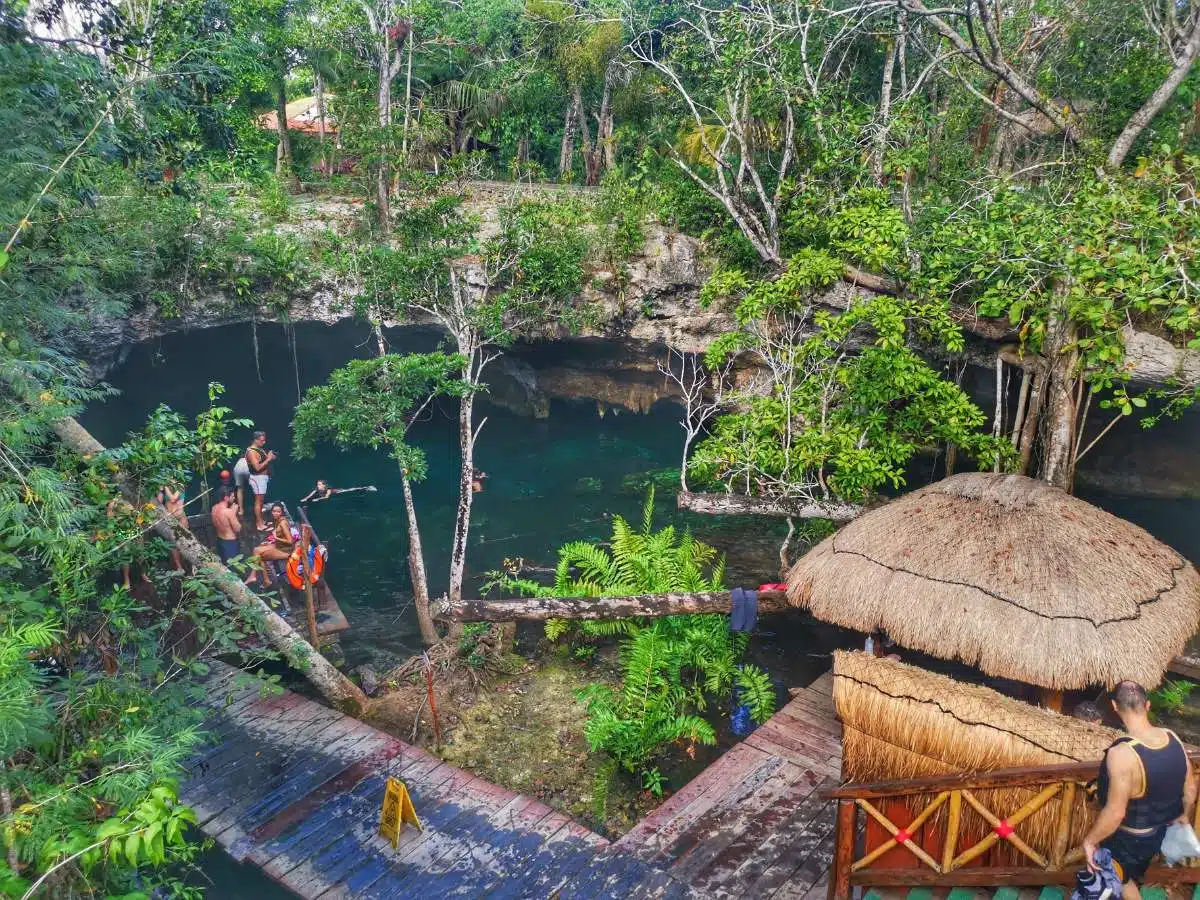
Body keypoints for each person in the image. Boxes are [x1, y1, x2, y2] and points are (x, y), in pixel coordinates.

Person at [1082, 681, 1197, 900]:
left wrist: (1089, 841)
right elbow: (1190, 789)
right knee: (1127, 875)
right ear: (1148, 705)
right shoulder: (1172, 737)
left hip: (1130, 840)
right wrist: (1182, 815)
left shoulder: (1121, 754)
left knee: (1120, 879)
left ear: (1114, 706)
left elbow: (1116, 813)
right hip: (1159, 833)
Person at [244, 503, 293, 587]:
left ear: (282, 512)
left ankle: (262, 579)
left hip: (285, 550)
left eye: (278, 511)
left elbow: (290, 541)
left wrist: (275, 538)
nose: (275, 513)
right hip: (279, 545)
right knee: (256, 550)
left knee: (260, 556)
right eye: (274, 511)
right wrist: (270, 542)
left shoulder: (283, 523)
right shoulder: (277, 520)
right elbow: (281, 536)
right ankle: (257, 577)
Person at [245, 431, 277, 532]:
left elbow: (266, 460)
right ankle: (259, 524)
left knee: (261, 501)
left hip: (263, 479)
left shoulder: (259, 449)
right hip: (257, 478)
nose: (264, 442)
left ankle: (262, 521)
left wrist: (271, 457)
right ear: (256, 440)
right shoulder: (251, 452)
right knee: (258, 501)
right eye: (262, 440)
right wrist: (268, 459)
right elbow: (257, 467)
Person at [158, 482, 188, 571]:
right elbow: (159, 502)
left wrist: (166, 486)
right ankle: (179, 567)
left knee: (185, 542)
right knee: (173, 545)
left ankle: (190, 566)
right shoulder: (164, 488)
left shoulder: (180, 486)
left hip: (181, 518)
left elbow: (173, 499)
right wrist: (160, 491)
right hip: (170, 519)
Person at [211, 488, 241, 564]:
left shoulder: (214, 508)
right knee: (233, 568)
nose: (234, 498)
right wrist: (233, 513)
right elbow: (237, 529)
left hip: (219, 541)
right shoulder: (228, 512)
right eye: (232, 496)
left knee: (225, 567)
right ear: (226, 498)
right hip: (230, 543)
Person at [299, 480, 377, 503]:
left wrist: (318, 499)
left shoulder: (328, 490)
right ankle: (364, 489)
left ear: (324, 486)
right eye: (318, 484)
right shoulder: (316, 489)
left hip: (338, 491)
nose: (318, 486)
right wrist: (305, 499)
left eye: (319, 485)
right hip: (336, 492)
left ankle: (367, 487)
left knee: (351, 490)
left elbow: (326, 497)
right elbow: (310, 495)